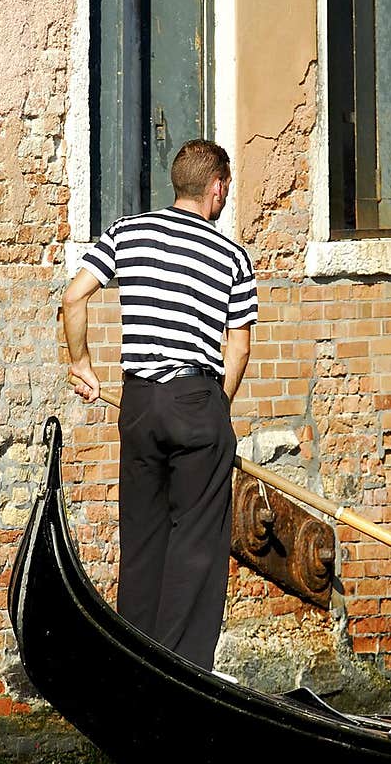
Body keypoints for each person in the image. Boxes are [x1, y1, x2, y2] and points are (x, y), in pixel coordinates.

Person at [62, 139, 257, 669]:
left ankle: (133, 661)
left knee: (144, 539)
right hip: (197, 399)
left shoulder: (127, 232)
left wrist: (82, 363)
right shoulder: (231, 256)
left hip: (140, 404)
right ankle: (179, 670)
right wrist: (215, 408)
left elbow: (74, 296)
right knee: (196, 548)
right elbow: (237, 345)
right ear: (216, 189)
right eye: (226, 191)